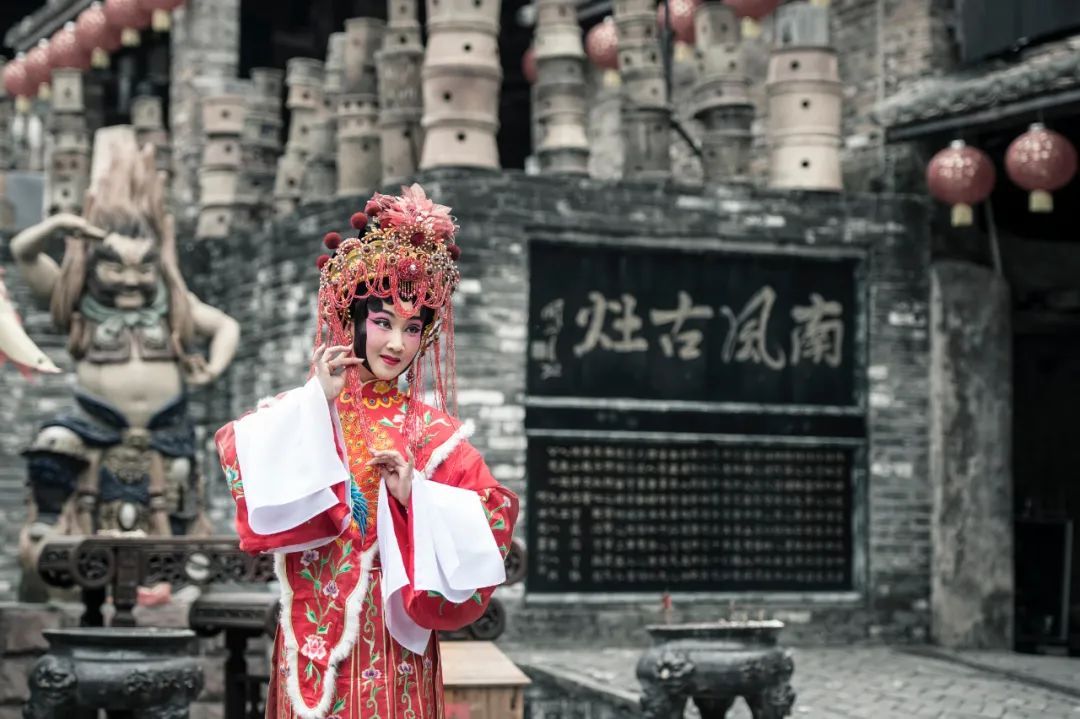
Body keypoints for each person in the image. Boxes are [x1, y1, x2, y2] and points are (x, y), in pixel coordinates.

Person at [216, 184, 519, 719]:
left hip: (393, 631)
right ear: (354, 322)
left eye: (412, 328)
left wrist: (413, 497)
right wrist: (318, 401)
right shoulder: (307, 407)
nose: (397, 344)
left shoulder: (434, 434)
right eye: (383, 322)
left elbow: (492, 520)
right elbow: (236, 456)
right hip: (310, 625)